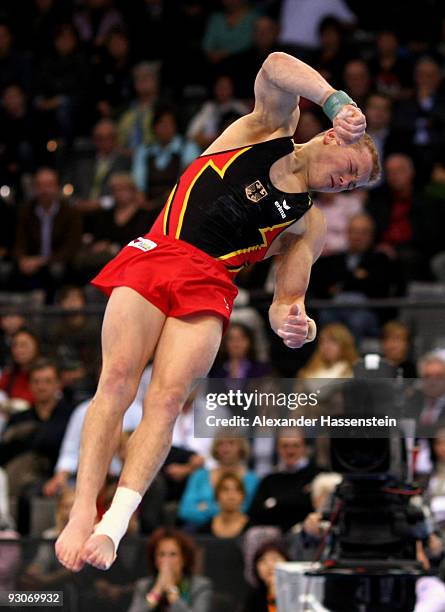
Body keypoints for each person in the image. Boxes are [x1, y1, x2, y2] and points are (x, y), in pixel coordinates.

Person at [55, 50, 378, 572]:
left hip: (210, 283)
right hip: (158, 251)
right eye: (350, 169)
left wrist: (297, 322)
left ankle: (113, 524)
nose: (346, 183)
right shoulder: (267, 128)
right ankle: (78, 513)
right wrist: (334, 98)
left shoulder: (307, 223)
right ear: (331, 136)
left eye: (355, 185)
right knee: (116, 382)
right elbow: (275, 64)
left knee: (166, 400)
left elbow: (286, 302)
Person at [127, 527, 213, 612]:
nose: (166, 560)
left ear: (184, 559)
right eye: (161, 554)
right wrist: (157, 590)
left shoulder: (200, 586)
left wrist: (171, 589)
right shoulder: (144, 586)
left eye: (173, 554)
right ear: (155, 560)